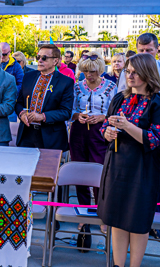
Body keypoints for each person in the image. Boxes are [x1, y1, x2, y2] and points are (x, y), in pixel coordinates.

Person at [98, 53, 160, 267]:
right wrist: (107, 133)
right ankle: (118, 265)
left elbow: (153, 139)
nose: (130, 76)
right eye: (128, 71)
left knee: (137, 221)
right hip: (116, 164)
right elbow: (104, 127)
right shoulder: (119, 98)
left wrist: (126, 126)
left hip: (142, 169)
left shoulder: (157, 102)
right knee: (117, 219)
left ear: (148, 73)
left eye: (135, 72)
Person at [69, 51, 117, 233]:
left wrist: (101, 117)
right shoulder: (76, 87)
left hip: (100, 132)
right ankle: (83, 214)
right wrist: (77, 115)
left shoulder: (110, 87)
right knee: (80, 171)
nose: (89, 75)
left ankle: (101, 213)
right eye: (85, 71)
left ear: (100, 71)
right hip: (79, 132)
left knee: (100, 172)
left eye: (93, 72)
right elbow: (70, 110)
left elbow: (116, 111)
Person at [15, 44, 74, 153]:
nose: (40, 60)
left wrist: (42, 116)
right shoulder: (28, 76)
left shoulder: (65, 82)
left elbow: (66, 112)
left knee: (47, 169)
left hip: (51, 137)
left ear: (55, 61)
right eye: (38, 57)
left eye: (44, 58)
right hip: (26, 134)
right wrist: (22, 114)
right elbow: (19, 103)